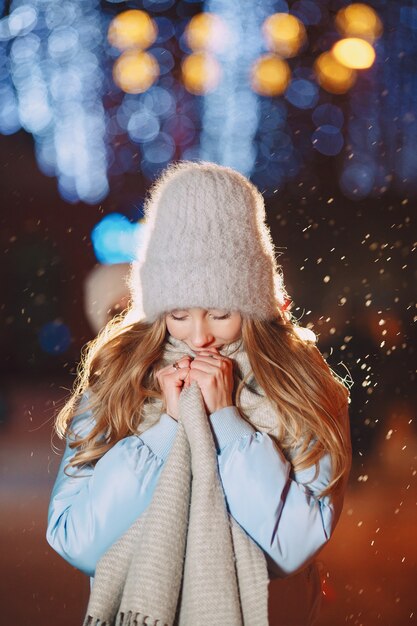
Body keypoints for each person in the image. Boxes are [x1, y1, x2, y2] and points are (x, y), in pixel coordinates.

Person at [46, 161, 352, 626]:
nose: (200, 335)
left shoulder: (300, 384)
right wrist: (164, 433)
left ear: (254, 303)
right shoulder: (121, 378)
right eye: (180, 314)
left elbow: (292, 546)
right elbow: (76, 540)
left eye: (220, 313)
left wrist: (229, 424)